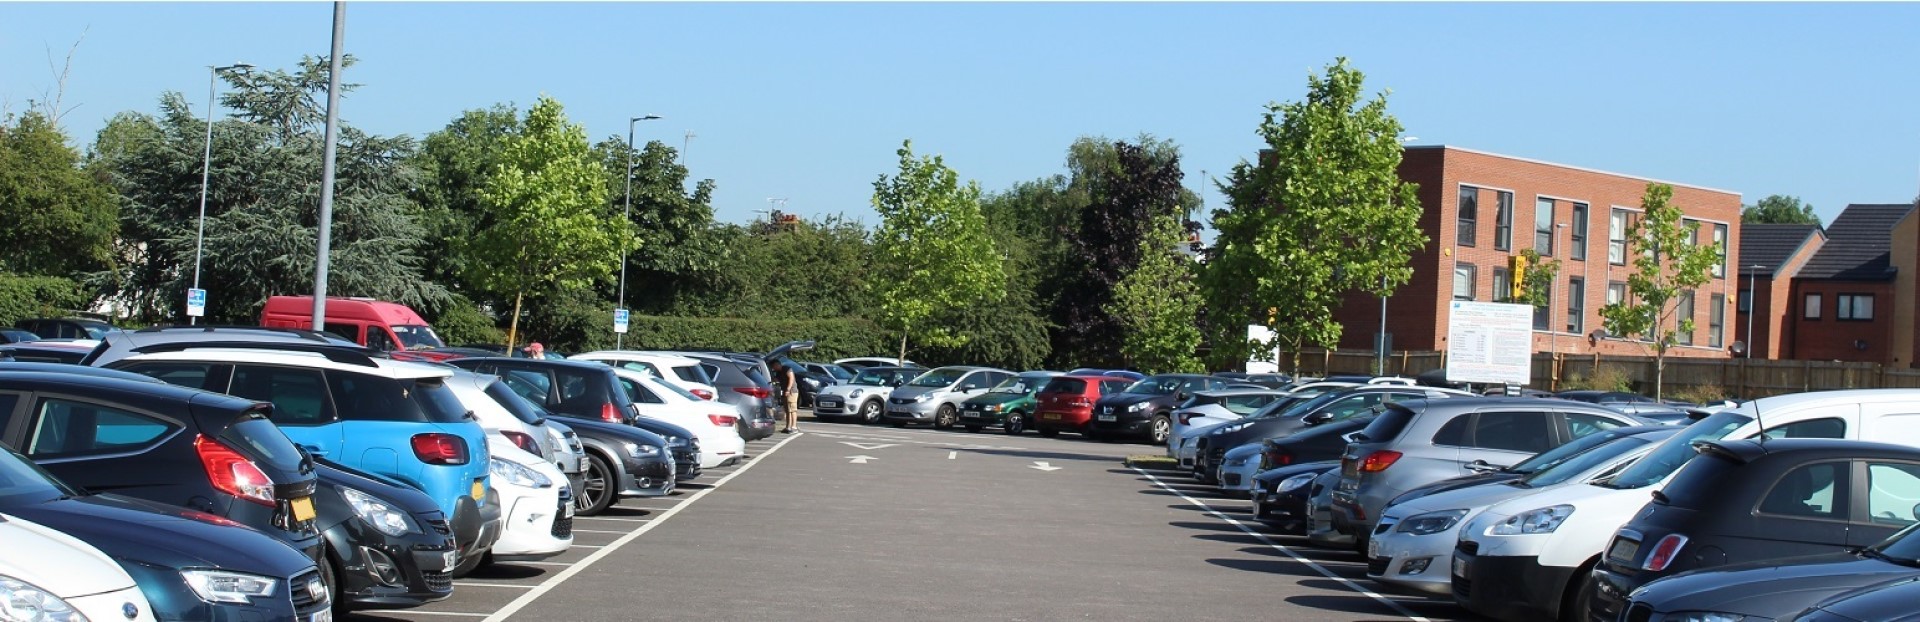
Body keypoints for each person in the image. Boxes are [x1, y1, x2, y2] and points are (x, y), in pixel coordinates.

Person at [774, 361, 800, 433]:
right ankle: (788, 427)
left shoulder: (787, 369)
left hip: (792, 391)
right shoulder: (778, 372)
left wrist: (788, 389)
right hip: (784, 392)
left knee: (792, 409)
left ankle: (794, 427)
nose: (774, 368)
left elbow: (791, 379)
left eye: (774, 366)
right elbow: (775, 380)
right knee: (787, 410)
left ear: (777, 365)